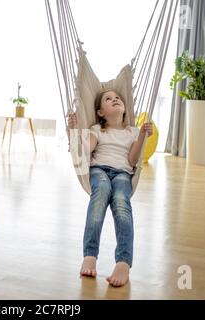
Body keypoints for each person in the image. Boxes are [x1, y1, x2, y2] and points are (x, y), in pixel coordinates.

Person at [68, 90, 153, 287]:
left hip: (123, 173)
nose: (115, 99)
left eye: (117, 98)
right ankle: (90, 255)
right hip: (99, 171)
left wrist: (141, 136)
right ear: (100, 112)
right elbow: (86, 149)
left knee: (121, 202)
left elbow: (133, 160)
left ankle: (123, 262)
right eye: (108, 99)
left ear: (124, 108)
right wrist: (75, 131)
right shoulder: (97, 129)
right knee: (100, 195)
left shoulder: (132, 131)